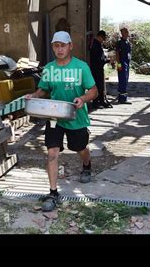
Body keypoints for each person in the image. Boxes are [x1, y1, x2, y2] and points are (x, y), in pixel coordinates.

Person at [25, 31, 98, 212]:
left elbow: (94, 90)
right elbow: (43, 90)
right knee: (52, 153)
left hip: (76, 116)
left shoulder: (81, 67)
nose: (59, 49)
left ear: (70, 46)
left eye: (63, 45)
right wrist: (33, 95)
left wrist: (83, 98)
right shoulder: (49, 68)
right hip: (55, 117)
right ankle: (53, 192)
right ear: (53, 47)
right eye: (56, 46)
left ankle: (87, 165)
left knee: (80, 148)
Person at [89, 30, 113, 109]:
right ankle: (96, 103)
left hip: (98, 68)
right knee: (97, 86)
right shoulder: (95, 45)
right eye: (102, 39)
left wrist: (106, 59)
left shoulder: (98, 44)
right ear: (99, 37)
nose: (103, 41)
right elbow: (99, 59)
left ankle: (102, 101)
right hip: (96, 68)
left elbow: (102, 56)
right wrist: (108, 60)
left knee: (101, 86)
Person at [115, 27, 132, 104]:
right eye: (126, 32)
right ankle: (122, 99)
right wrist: (118, 64)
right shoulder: (119, 42)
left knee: (125, 80)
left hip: (127, 63)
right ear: (123, 33)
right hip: (122, 63)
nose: (128, 33)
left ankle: (123, 97)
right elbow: (117, 54)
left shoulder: (127, 42)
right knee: (122, 80)